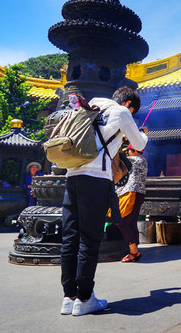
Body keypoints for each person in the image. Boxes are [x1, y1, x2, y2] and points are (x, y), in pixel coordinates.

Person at [60, 86, 148, 316]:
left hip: (72, 175)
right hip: (96, 179)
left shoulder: (91, 104)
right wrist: (142, 133)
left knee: (70, 237)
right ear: (129, 104)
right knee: (89, 239)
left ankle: (69, 296)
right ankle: (85, 298)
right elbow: (139, 144)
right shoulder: (121, 112)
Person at [116, 144, 148, 262]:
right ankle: (135, 249)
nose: (128, 152)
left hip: (131, 193)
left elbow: (117, 157)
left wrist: (120, 142)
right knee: (131, 222)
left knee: (122, 222)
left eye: (129, 150)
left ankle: (133, 251)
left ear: (134, 151)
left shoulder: (135, 160)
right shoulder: (143, 160)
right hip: (139, 193)